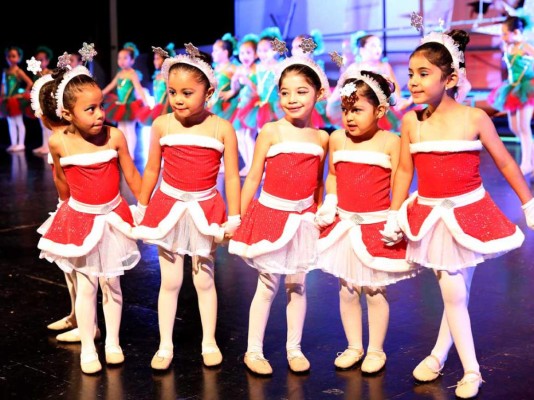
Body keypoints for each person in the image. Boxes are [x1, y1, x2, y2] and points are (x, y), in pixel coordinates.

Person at [385, 29, 534, 399]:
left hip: (470, 212)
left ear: (450, 78)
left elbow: (504, 162)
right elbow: (404, 170)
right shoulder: (411, 122)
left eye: (424, 73)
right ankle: (442, 355)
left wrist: (528, 202)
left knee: (456, 293)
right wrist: (392, 213)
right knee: (454, 293)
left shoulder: (474, 117)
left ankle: (470, 370)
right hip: (432, 217)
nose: (414, 81)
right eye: (411, 73)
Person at [132, 44, 241, 371]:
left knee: (204, 279)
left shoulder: (222, 128)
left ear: (208, 93)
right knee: (170, 281)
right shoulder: (163, 125)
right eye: (172, 92)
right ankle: (165, 343)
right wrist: (141, 203)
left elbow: (232, 175)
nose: (178, 99)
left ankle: (209, 340)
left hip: (204, 210)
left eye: (187, 92)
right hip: (168, 208)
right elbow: (152, 169)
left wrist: (234, 215)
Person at [228, 50, 330, 375]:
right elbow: (253, 176)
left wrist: (318, 216)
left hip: (303, 219)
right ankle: (253, 350)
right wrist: (239, 218)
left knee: (297, 284)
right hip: (272, 215)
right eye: (285, 92)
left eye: (301, 91)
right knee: (268, 284)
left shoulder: (322, 137)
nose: (291, 99)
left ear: (319, 93)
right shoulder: (272, 131)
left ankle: (294, 348)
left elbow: (318, 182)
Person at [36, 61, 142, 374]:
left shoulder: (114, 137)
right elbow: (61, 180)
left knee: (112, 283)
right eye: (90, 109)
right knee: (86, 286)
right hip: (81, 219)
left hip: (113, 217)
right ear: (67, 114)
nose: (99, 114)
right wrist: (65, 208)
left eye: (100, 107)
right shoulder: (59, 142)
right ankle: (87, 347)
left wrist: (147, 210)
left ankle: (112, 342)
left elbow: (132, 175)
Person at [316, 67, 418, 373]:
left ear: (381, 110)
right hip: (345, 226)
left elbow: (400, 180)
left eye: (358, 110)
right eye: (346, 110)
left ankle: (375, 350)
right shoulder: (338, 140)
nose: (349, 117)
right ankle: (353, 346)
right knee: (347, 290)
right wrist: (330, 202)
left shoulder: (390, 142)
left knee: (374, 290)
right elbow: (333, 175)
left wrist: (395, 216)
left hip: (375, 225)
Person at [28, 58, 102, 343]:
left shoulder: (62, 142)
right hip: (69, 207)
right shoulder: (59, 140)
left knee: (84, 271)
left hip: (79, 208)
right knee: (70, 269)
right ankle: (76, 314)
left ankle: (88, 323)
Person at [327, 34, 412, 131]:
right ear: (362, 50)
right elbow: (340, 89)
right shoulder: (354, 68)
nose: (378, 49)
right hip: (358, 109)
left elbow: (394, 89)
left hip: (379, 111)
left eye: (379, 46)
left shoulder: (384, 67)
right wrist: (331, 103)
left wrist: (399, 102)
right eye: (373, 46)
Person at [487, 15, 534, 175]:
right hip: (512, 88)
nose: (503, 37)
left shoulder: (525, 47)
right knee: (514, 127)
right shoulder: (507, 47)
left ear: (516, 32)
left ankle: (526, 163)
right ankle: (531, 160)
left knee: (523, 126)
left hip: (526, 88)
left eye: (506, 33)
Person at [220, 33, 259, 176]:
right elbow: (235, 89)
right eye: (242, 53)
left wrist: (246, 80)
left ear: (255, 54)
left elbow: (258, 90)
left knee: (249, 136)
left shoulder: (257, 69)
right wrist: (234, 82)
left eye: (248, 52)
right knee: (239, 134)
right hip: (243, 105)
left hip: (255, 106)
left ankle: (255, 167)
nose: (244, 56)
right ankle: (249, 164)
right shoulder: (241, 68)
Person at [102, 42, 148, 160]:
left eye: (125, 58)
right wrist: (100, 94)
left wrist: (146, 103)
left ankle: (131, 153)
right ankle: (123, 152)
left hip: (130, 107)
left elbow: (138, 88)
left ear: (132, 61)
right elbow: (111, 85)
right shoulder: (120, 73)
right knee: (121, 130)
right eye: (119, 58)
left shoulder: (132, 74)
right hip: (119, 106)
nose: (121, 61)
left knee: (130, 130)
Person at [291, 30, 333, 130]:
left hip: (311, 103)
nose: (293, 50)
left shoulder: (315, 66)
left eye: (297, 47)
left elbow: (322, 84)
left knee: (311, 128)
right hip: (297, 101)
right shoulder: (293, 67)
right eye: (293, 47)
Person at [0, 46, 33, 152]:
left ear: (19, 58)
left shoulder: (18, 71)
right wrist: (2, 95)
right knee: (10, 122)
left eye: (13, 56)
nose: (11, 58)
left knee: (18, 121)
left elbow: (30, 83)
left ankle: (21, 144)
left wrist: (23, 93)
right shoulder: (5, 71)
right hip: (7, 99)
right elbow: (3, 85)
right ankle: (14, 143)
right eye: (8, 56)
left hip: (15, 101)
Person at [139, 43, 176, 126]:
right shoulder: (157, 76)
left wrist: (165, 108)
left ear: (165, 60)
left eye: (157, 59)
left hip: (166, 108)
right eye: (154, 59)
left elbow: (169, 93)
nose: (155, 61)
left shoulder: (167, 75)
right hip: (157, 108)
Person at [255, 26, 285, 130]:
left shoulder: (279, 66)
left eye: (265, 50)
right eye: (259, 50)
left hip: (276, 105)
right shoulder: (258, 67)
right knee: (261, 131)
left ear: (275, 51)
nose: (262, 54)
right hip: (262, 104)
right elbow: (259, 86)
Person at [209, 33, 239, 122]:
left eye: (216, 51)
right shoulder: (216, 68)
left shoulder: (232, 67)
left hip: (225, 105)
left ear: (225, 52)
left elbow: (240, 84)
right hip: (213, 103)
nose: (212, 53)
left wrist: (232, 92)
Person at [32, 46, 54, 155]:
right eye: (37, 60)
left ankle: (50, 147)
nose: (39, 62)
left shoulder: (49, 72)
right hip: (39, 101)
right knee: (42, 125)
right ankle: (44, 145)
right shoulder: (36, 74)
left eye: (41, 60)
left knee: (48, 126)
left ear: (47, 61)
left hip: (47, 101)